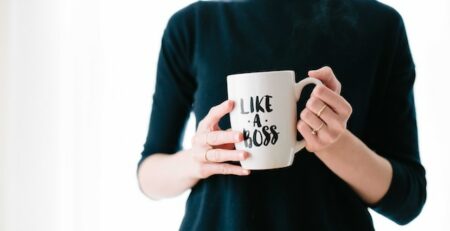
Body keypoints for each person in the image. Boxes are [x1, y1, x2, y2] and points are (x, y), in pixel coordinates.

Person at [137, 0, 427, 230]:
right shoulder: (193, 26)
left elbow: (407, 201)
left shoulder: (379, 26)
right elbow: (148, 175)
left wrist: (334, 144)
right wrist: (197, 160)